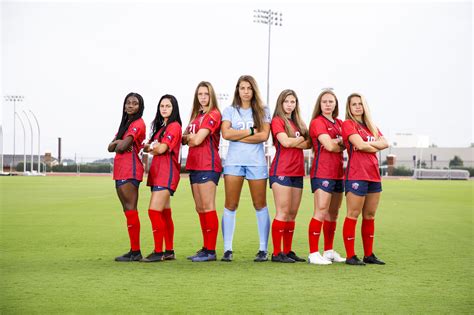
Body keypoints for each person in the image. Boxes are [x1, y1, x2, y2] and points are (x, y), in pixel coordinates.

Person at [220, 75, 271, 262]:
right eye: (242, 88)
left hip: (256, 162)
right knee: (230, 205)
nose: (246, 91)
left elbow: (264, 136)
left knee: (260, 205)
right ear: (237, 90)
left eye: (249, 88)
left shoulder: (263, 111)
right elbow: (226, 134)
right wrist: (250, 132)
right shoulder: (230, 110)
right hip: (233, 162)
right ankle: (227, 249)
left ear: (254, 90)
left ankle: (263, 249)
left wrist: (237, 136)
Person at [341, 92, 388, 266]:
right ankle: (350, 256)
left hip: (373, 175)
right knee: (353, 214)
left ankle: (369, 254)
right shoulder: (348, 124)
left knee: (370, 215)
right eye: (354, 104)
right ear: (349, 107)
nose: (358, 107)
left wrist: (367, 145)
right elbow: (359, 145)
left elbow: (385, 143)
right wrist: (372, 145)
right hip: (356, 175)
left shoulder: (372, 126)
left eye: (360, 104)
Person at [269, 89, 311, 263]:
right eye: (287, 101)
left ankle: (287, 250)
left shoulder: (298, 123)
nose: (290, 105)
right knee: (283, 212)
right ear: (281, 103)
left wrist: (296, 140)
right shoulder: (277, 121)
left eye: (293, 102)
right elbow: (285, 142)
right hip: (281, 171)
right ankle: (277, 253)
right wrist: (300, 140)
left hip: (297, 172)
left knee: (292, 214)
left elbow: (309, 143)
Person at [182, 81, 222, 262]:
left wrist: (190, 138)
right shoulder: (196, 116)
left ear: (211, 95)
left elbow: (197, 140)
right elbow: (184, 138)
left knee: (208, 206)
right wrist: (190, 138)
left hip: (208, 165)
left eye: (206, 94)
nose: (203, 97)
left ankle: (211, 251)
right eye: (200, 94)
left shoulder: (214, 114)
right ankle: (205, 247)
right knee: (200, 208)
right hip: (194, 164)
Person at [141, 94, 182, 262]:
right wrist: (152, 146)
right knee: (165, 213)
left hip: (167, 173)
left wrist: (154, 147)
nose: (164, 108)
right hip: (157, 172)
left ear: (174, 109)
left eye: (168, 106)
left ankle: (158, 252)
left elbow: (162, 148)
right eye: (162, 106)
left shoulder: (174, 126)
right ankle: (169, 250)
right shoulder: (160, 128)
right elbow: (146, 147)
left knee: (153, 211)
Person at [307, 89, 346, 265]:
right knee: (321, 211)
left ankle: (328, 251)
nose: (328, 104)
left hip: (338, 173)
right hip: (322, 172)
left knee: (333, 214)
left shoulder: (340, 123)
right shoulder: (317, 122)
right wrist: (339, 142)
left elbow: (346, 142)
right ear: (320, 105)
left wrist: (336, 142)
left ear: (336, 104)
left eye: (331, 101)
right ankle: (313, 253)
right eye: (324, 102)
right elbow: (330, 146)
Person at [108, 92, 146, 262]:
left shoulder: (138, 123)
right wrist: (117, 143)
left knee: (131, 209)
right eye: (128, 103)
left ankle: (136, 251)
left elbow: (122, 146)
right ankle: (133, 250)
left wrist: (118, 143)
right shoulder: (125, 124)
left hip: (130, 169)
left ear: (140, 107)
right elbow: (110, 147)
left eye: (135, 103)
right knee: (127, 210)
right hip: (120, 169)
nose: (131, 105)